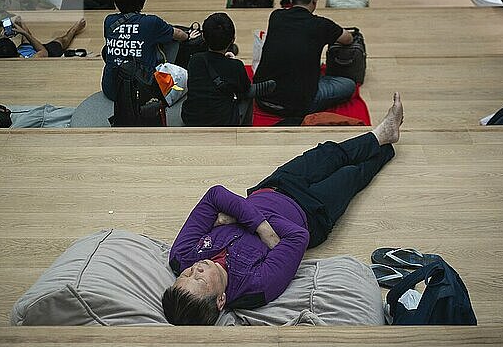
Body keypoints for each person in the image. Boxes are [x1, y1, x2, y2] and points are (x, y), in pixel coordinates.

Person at [162, 92, 404, 325]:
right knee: (351, 175)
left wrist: (253, 223)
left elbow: (215, 194)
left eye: (185, 276)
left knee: (328, 153)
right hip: (311, 212)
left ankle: (382, 134)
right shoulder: (257, 287)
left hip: (271, 187)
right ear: (220, 300)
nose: (194, 269)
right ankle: (386, 148)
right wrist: (250, 221)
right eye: (199, 280)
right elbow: (298, 237)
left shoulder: (181, 256)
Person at [252, 0, 355, 119]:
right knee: (348, 85)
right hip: (297, 105)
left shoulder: (276, 16)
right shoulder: (322, 25)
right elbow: (348, 38)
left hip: (262, 98)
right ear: (315, 0)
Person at [101, 0, 198, 101]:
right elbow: (178, 34)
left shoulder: (109, 21)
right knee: (167, 46)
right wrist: (188, 36)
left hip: (110, 89)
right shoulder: (151, 22)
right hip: (141, 92)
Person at [181, 13, 251, 126]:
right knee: (248, 98)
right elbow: (245, 90)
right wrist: (232, 62)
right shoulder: (236, 66)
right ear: (233, 39)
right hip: (223, 121)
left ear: (203, 37)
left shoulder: (195, 60)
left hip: (191, 118)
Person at [0, 16, 86, 59]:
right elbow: (44, 51)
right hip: (45, 51)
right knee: (61, 40)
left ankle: (21, 24)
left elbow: (0, 49)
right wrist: (24, 33)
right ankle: (75, 28)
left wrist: (2, 38)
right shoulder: (31, 58)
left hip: (25, 49)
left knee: (25, 42)